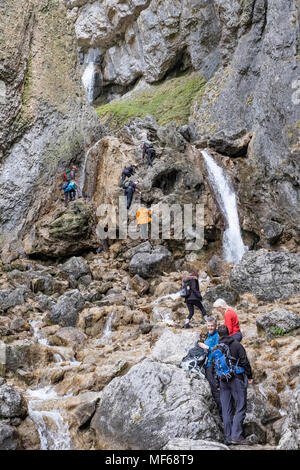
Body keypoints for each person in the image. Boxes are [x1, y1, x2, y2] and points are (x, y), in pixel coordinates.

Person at [213, 325, 253, 446]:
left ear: (219, 335)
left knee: (226, 410)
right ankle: (237, 436)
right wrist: (250, 376)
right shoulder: (236, 345)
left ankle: (228, 437)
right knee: (240, 406)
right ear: (229, 333)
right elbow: (244, 361)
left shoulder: (215, 348)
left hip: (222, 381)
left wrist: (217, 384)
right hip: (236, 379)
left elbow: (215, 367)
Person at [198, 317, 222, 417]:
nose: (210, 327)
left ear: (215, 326)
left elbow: (219, 350)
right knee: (213, 390)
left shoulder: (217, 336)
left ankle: (223, 415)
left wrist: (206, 347)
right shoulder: (209, 335)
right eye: (208, 326)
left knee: (216, 390)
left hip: (213, 366)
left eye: (212, 326)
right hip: (208, 365)